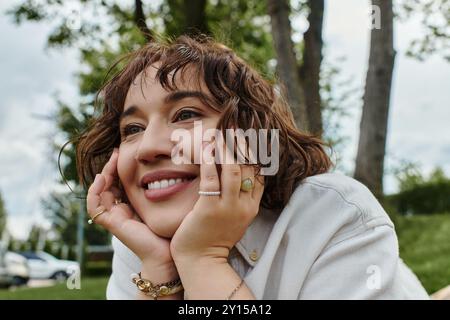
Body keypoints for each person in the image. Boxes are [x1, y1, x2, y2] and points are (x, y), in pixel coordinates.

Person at [74, 35, 429, 300]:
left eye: (186, 115)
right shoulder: (137, 243)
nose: (148, 147)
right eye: (132, 129)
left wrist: (202, 259)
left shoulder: (336, 213)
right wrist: (160, 269)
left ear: (250, 135)